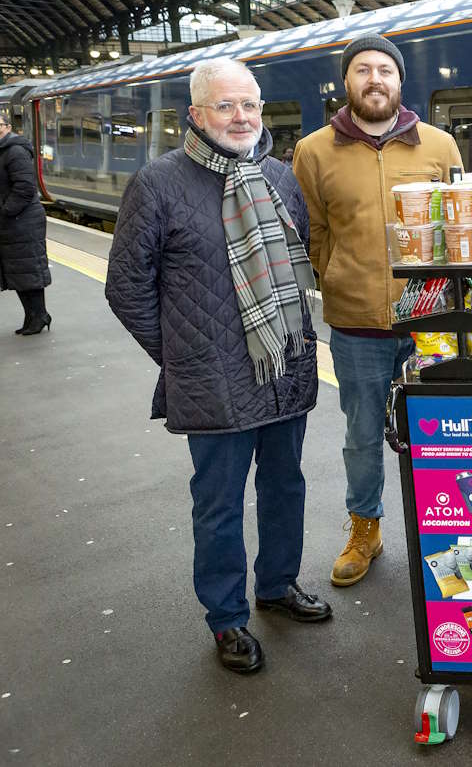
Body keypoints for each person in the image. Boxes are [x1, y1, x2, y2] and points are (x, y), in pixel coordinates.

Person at [105, 57, 330, 674]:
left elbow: (297, 261)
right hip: (213, 383)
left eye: (250, 105)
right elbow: (126, 286)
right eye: (226, 106)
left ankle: (278, 585)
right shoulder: (158, 184)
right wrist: (184, 355)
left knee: (286, 486)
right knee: (219, 504)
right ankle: (227, 618)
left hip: (284, 368)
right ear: (196, 114)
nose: (240, 118)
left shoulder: (280, 177)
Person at [293, 34, 463, 587]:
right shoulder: (314, 151)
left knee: (440, 433)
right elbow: (313, 230)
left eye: (384, 69)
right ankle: (365, 527)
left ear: (400, 81)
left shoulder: (439, 146)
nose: (374, 79)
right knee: (362, 434)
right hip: (356, 324)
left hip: (430, 322)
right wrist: (337, 274)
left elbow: (459, 232)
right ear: (347, 83)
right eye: (362, 69)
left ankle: (446, 529)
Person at [0, 115, 52, 335]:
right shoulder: (3, 150)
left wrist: (5, 211)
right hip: (13, 221)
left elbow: (24, 188)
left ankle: (39, 315)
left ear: (8, 127)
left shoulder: (15, 151)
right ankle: (32, 315)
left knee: (27, 269)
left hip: (22, 220)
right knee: (18, 271)